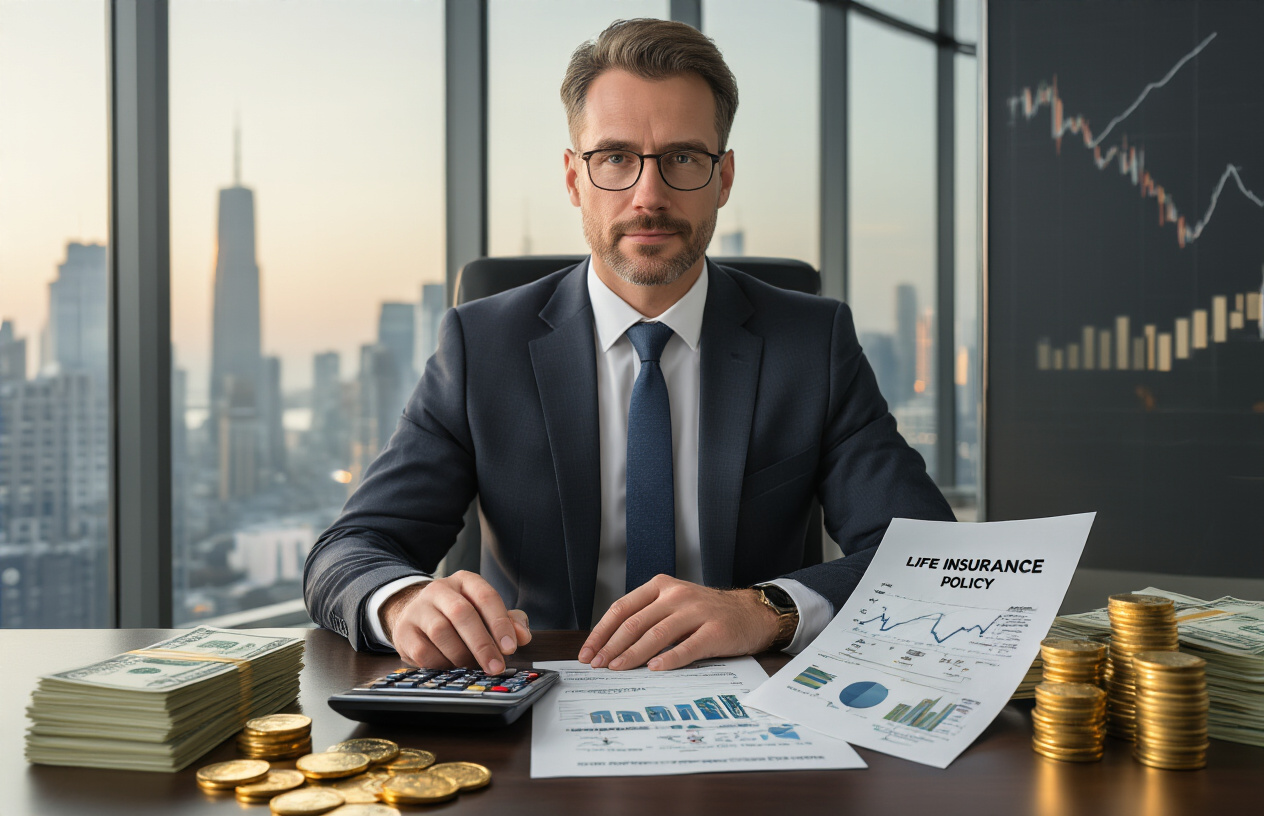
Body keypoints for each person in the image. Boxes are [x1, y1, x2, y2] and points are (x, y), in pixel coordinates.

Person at [303, 18, 953, 676]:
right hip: (535, 701)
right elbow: (350, 550)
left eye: (682, 158)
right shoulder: (482, 346)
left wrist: (767, 608)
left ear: (724, 178)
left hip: (758, 709)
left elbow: (928, 554)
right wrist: (405, 600)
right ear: (573, 178)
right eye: (615, 157)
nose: (649, 195)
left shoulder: (811, 344)